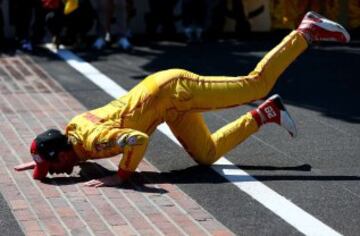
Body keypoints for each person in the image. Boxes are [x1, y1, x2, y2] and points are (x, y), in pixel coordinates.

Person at [15, 12, 350, 187]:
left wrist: (122, 175)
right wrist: (40, 155)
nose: (54, 173)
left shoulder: (94, 142)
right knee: (206, 155)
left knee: (255, 84)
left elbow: (136, 138)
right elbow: (78, 151)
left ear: (61, 153)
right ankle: (266, 114)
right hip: (165, 100)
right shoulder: (74, 132)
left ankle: (306, 31)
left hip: (173, 92)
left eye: (51, 167)